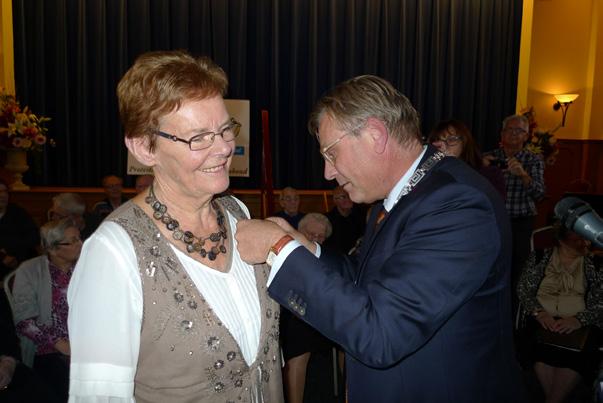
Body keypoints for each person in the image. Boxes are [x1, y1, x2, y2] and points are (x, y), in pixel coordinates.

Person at [236, 75, 522, 402]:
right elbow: (365, 281)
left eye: (332, 153)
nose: (327, 172)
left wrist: (279, 249)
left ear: (375, 135)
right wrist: (305, 247)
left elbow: (381, 334)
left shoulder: (457, 203)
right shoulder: (402, 196)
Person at [67, 50, 283, 402]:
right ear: (143, 148)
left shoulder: (237, 213)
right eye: (198, 137)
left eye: (225, 129)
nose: (224, 149)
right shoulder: (113, 254)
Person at [517, 223, 603, 403]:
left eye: (588, 239)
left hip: (581, 324)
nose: (587, 244)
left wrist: (579, 319)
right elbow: (523, 290)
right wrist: (539, 313)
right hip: (541, 319)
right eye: (580, 240)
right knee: (537, 347)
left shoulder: (595, 264)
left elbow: (601, 301)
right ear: (562, 241)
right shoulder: (539, 257)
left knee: (576, 354)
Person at [11, 218, 82, 401]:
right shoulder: (30, 271)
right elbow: (24, 322)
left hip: (86, 346)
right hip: (48, 350)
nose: (80, 244)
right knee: (65, 385)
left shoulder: (86, 266)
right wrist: (61, 345)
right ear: (52, 248)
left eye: (79, 238)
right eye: (72, 241)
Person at [484, 114, 545, 286]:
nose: (513, 134)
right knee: (491, 265)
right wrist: (482, 170)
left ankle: (515, 309)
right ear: (501, 134)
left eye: (519, 131)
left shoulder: (533, 160)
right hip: (492, 221)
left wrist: (523, 175)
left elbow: (540, 194)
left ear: (526, 136)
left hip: (521, 223)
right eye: (509, 130)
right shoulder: (488, 157)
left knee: (519, 270)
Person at [280, 213, 332, 403]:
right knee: (299, 340)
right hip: (288, 312)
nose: (316, 240)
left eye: (321, 237)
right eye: (311, 235)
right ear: (300, 232)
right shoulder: (286, 250)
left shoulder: (324, 255)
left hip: (316, 312)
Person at [428, 119, 506, 200]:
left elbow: (494, 203)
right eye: (438, 141)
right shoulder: (431, 174)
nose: (444, 146)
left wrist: (455, 166)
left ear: (465, 142)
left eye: (451, 140)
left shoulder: (489, 173)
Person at [0, 179, 40, 281]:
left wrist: (11, 251)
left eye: (5, 191)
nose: (3, 195)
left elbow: (34, 237)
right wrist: (3, 257)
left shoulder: (17, 212)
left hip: (21, 261)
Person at [324, 185, 366, 254]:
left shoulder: (361, 215)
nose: (348, 199)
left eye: (349, 195)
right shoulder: (327, 220)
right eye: (343, 197)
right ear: (335, 200)